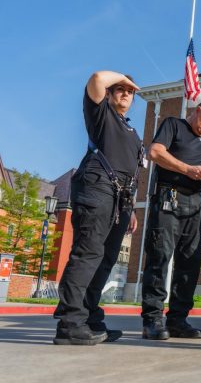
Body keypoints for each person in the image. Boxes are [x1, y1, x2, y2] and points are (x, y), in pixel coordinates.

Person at [53, 71, 143, 345]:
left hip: (122, 199)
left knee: (105, 260)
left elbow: (133, 171)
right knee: (88, 253)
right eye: (120, 88)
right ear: (109, 92)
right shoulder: (101, 116)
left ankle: (90, 318)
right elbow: (95, 78)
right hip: (97, 188)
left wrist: (133, 208)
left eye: (130, 91)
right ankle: (70, 324)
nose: (126, 93)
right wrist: (126, 79)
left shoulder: (132, 132)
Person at [141, 100, 201, 340]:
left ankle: (178, 319)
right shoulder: (173, 125)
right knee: (159, 256)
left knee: (190, 261)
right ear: (197, 110)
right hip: (170, 197)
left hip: (195, 202)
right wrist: (186, 169)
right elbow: (155, 152)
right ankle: (152, 320)